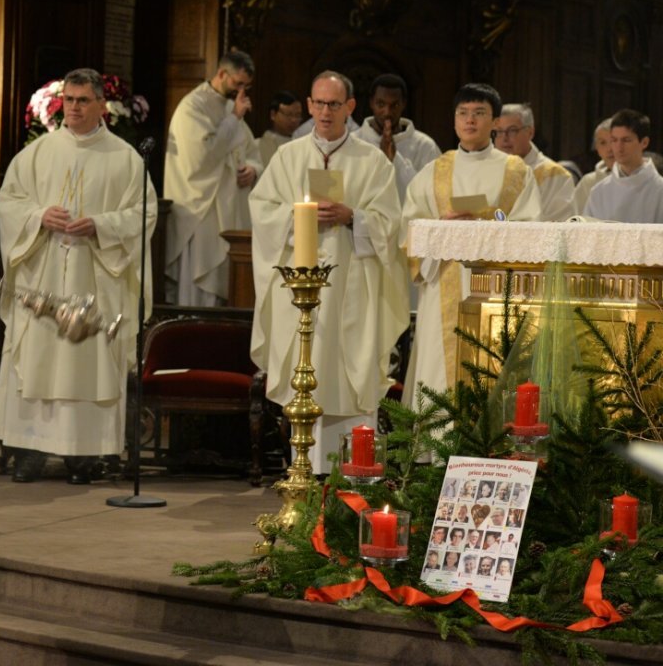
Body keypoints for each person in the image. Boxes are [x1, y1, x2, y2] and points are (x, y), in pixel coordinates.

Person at [0, 67, 157, 485]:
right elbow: (8, 203)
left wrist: (100, 226)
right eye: (69, 100)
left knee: (87, 359)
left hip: (94, 279)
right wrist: (37, 217)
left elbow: (145, 214)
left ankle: (85, 456)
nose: (75, 108)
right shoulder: (35, 154)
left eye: (84, 100)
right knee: (37, 355)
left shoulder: (126, 158)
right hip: (43, 275)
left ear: (103, 105)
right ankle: (28, 450)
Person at [249, 70, 407, 475]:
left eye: (333, 104)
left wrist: (352, 216)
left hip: (353, 288)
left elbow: (391, 224)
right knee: (308, 369)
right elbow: (263, 212)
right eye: (318, 103)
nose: (324, 112)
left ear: (350, 108)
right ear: (308, 104)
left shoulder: (372, 162)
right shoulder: (288, 157)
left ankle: (352, 475)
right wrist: (297, 216)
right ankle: (302, 469)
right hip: (298, 289)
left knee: (350, 372)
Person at [401, 83, 541, 405]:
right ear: (454, 120)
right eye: (463, 113)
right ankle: (435, 451)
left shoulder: (515, 171)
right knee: (439, 367)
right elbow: (408, 228)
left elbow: (528, 227)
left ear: (494, 122)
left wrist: (487, 226)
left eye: (479, 113)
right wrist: (441, 228)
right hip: (442, 285)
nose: (470, 121)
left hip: (495, 287)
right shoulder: (435, 171)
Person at [164, 51, 261, 306]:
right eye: (238, 83)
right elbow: (201, 158)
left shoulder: (230, 107)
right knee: (202, 276)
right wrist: (234, 118)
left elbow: (251, 150)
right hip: (201, 209)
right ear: (221, 73)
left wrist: (252, 169)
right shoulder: (192, 107)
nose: (242, 91)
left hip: (229, 207)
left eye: (246, 86)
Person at [356, 74, 442, 201]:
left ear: (404, 104)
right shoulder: (355, 140)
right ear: (371, 103)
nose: (387, 112)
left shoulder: (425, 146)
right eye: (381, 104)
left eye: (394, 105)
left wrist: (395, 160)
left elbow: (432, 196)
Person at [492, 103, 576, 221]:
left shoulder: (555, 175)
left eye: (512, 130)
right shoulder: (485, 171)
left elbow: (558, 225)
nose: (504, 138)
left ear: (530, 132)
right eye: (498, 131)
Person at [583, 109, 663, 223]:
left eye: (626, 140)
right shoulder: (599, 191)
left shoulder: (659, 190)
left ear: (644, 142)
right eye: (614, 140)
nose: (618, 147)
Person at [573, 118, 614, 213]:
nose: (609, 149)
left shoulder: (636, 180)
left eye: (613, 141)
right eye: (602, 143)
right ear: (597, 148)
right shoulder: (588, 182)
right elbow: (575, 219)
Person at [257, 90, 303, 172]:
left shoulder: (302, 145)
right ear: (273, 114)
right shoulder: (257, 146)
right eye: (289, 114)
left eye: (297, 115)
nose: (294, 120)